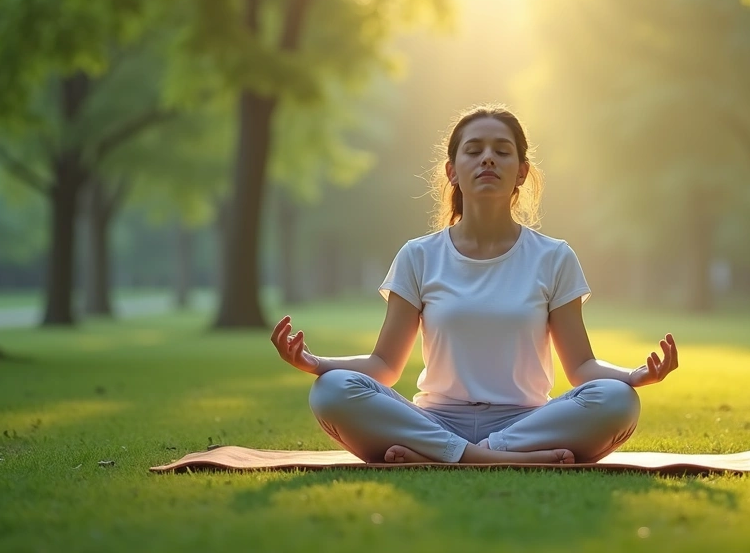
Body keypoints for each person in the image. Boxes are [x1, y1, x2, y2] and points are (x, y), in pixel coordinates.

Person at [270, 104, 678, 465]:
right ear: (452, 170)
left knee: (619, 400)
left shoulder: (554, 257)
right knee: (330, 391)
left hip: (528, 421)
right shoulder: (419, 255)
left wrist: (636, 374)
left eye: (502, 151)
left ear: (520, 173)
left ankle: (444, 454)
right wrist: (315, 364)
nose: (488, 159)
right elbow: (384, 367)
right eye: (474, 150)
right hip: (434, 418)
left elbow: (581, 369)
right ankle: (492, 457)